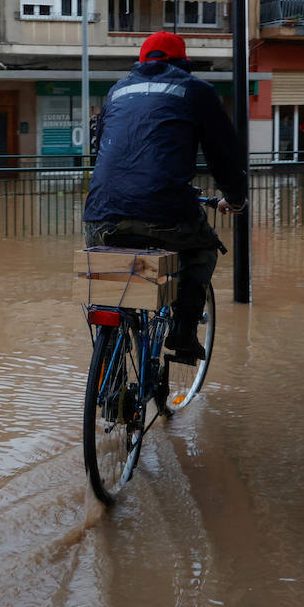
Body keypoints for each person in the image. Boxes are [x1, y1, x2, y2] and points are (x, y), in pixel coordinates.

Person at [82, 31, 248, 364]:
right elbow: (223, 155)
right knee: (201, 250)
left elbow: (101, 151)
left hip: (100, 215)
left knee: (111, 281)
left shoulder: (117, 91)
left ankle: (109, 354)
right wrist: (235, 198)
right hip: (165, 213)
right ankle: (183, 336)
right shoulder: (196, 91)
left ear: (142, 61)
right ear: (181, 61)